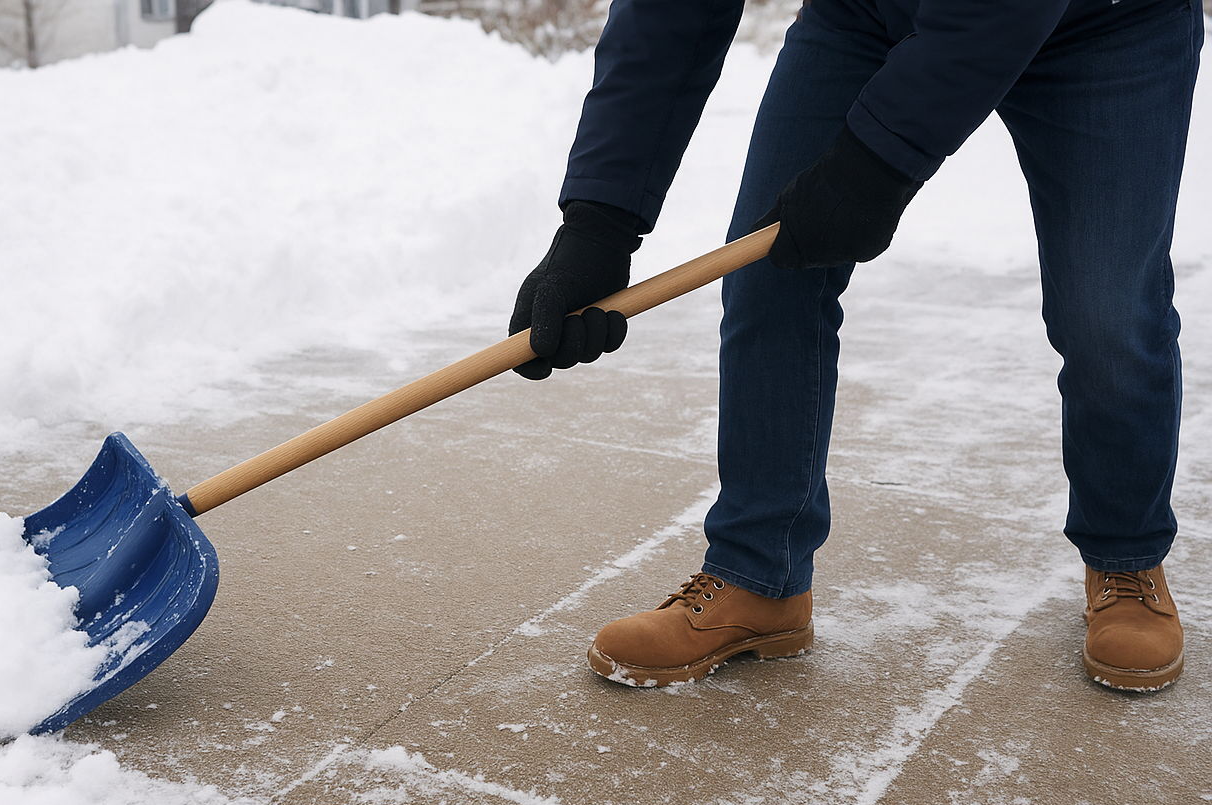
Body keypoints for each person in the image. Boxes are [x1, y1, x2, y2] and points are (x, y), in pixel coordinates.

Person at [511, 0, 1202, 692]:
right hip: (869, 14)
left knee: (1106, 308)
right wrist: (600, 220)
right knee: (768, 276)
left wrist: (878, 160)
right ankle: (760, 574)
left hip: (1106, 25)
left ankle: (1126, 558)